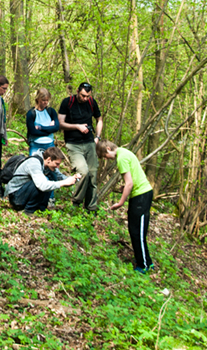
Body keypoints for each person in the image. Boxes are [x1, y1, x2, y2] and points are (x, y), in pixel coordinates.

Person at [96, 140, 154, 273]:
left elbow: (129, 184)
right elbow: (132, 178)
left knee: (137, 232)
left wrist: (121, 202)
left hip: (141, 195)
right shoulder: (125, 152)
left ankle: (144, 265)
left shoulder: (121, 158)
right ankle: (146, 261)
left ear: (109, 149)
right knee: (135, 230)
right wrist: (125, 187)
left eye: (105, 156)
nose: (106, 159)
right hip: (140, 194)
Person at [58, 82, 103, 212]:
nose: (85, 98)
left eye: (87, 96)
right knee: (83, 172)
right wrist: (77, 126)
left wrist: (97, 137)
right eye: (83, 95)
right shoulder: (68, 102)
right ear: (77, 91)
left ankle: (91, 207)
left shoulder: (92, 103)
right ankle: (76, 202)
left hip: (89, 142)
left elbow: (99, 120)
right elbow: (60, 123)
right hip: (73, 143)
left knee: (93, 175)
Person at [4, 147, 81, 214]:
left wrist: (72, 178)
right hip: (16, 196)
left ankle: (41, 209)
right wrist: (63, 183)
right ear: (49, 159)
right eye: (56, 164)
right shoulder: (34, 163)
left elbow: (60, 177)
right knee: (43, 182)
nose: (57, 167)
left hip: (25, 192)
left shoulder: (49, 166)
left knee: (51, 177)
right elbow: (42, 185)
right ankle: (29, 211)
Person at [26, 88, 60, 156]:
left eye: (47, 100)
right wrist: (49, 130)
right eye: (43, 100)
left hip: (50, 144)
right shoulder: (31, 113)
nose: (45, 102)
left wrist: (40, 127)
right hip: (35, 144)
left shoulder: (51, 111)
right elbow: (32, 131)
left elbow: (56, 127)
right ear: (38, 99)